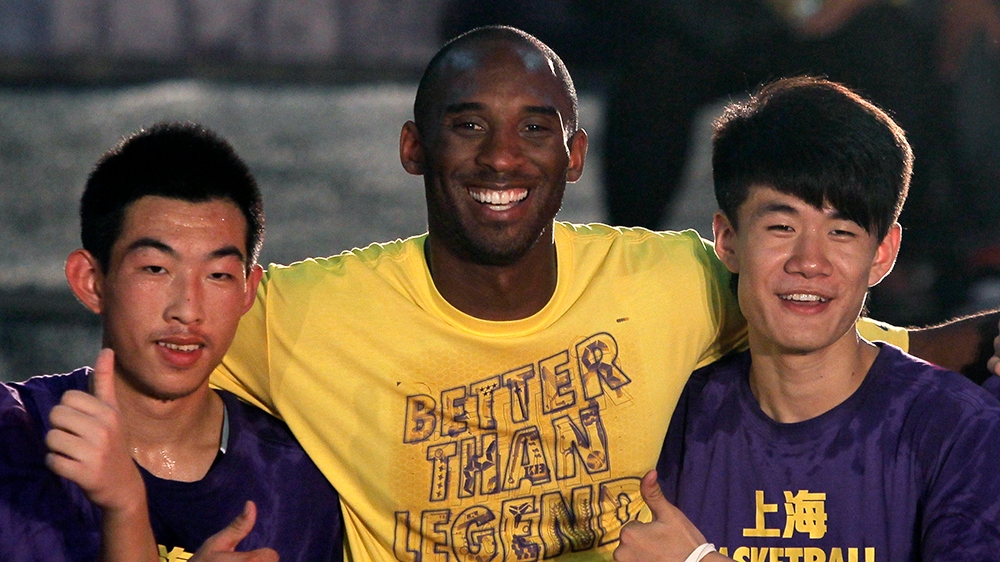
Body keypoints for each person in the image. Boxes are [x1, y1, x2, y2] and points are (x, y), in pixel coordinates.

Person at [206, 26, 1000, 561]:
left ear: (576, 155)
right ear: (414, 147)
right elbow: (159, 348)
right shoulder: (307, 312)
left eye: (535, 129)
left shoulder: (668, 282)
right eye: (469, 126)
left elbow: (855, 342)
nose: (502, 159)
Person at [613, 77, 1000, 562]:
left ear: (883, 253)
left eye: (841, 232)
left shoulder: (957, 430)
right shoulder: (671, 420)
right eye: (782, 226)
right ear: (727, 240)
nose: (809, 262)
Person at [0, 123, 343, 561]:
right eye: (156, 269)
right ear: (91, 280)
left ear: (247, 291)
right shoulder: (12, 438)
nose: (187, 309)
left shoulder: (296, 485)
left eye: (218, 275)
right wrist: (125, 505)